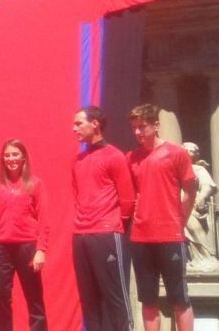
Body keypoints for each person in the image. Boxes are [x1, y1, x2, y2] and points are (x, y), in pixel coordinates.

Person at [127, 104, 197, 331]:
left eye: (142, 127)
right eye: (134, 128)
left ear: (156, 125)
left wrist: (180, 220)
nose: (137, 132)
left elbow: (190, 190)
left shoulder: (176, 154)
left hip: (169, 235)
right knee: (148, 301)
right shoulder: (131, 158)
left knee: (179, 299)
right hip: (140, 237)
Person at [71, 106, 135, 331]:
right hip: (80, 235)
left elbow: (127, 198)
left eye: (79, 123)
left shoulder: (114, 156)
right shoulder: (78, 160)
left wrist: (114, 224)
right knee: (89, 300)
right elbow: (78, 195)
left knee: (115, 297)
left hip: (107, 233)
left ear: (95, 123)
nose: (74, 128)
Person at [0, 139, 48, 331]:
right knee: (1, 297)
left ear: (23, 157)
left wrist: (41, 249)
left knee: (34, 297)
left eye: (15, 154)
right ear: (2, 158)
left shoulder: (35, 184)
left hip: (27, 246)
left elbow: (43, 218)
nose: (11, 159)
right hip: (1, 247)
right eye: (7, 155)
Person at [182, 142, 219, 271]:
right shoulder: (176, 169)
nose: (188, 152)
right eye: (185, 150)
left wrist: (202, 197)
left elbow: (207, 186)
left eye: (191, 150)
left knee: (195, 229)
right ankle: (194, 259)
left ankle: (208, 257)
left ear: (196, 154)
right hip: (178, 205)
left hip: (193, 204)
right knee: (185, 233)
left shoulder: (198, 169)